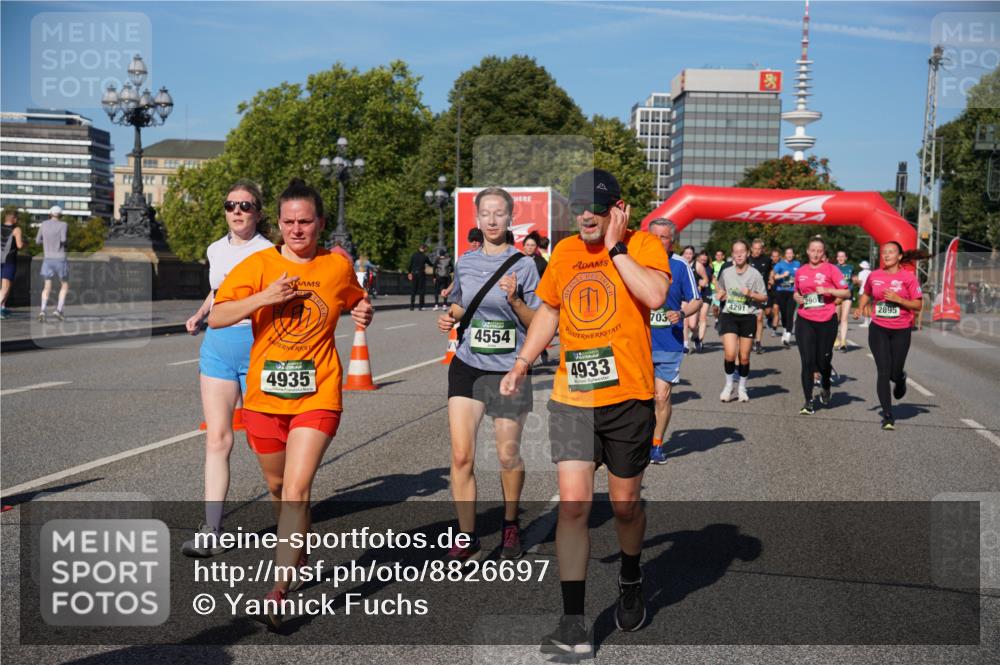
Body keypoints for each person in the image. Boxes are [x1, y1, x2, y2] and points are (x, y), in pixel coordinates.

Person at [500, 169, 670, 655]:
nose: (586, 217)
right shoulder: (565, 253)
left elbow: (655, 296)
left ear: (617, 209)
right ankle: (573, 623)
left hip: (628, 399)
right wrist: (522, 362)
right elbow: (550, 311)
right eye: (578, 208)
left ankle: (631, 577)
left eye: (596, 208)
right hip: (573, 399)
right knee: (573, 507)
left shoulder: (643, 246)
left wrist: (616, 248)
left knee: (625, 506)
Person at [208, 178, 373, 628]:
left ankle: (278, 592)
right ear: (278, 223)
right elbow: (218, 316)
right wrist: (265, 297)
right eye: (289, 222)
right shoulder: (258, 264)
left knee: (298, 489)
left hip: (318, 394)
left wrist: (364, 309)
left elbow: (357, 299)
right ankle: (297, 544)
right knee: (279, 489)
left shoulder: (336, 266)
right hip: (264, 398)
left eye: (305, 221)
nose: (297, 229)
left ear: (320, 223)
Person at [436, 186, 541, 563]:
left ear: (510, 218)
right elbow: (463, 304)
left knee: (507, 455)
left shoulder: (525, 265)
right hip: (467, 365)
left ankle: (510, 524)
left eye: (499, 214)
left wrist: (515, 300)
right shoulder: (465, 262)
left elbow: (539, 322)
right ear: (477, 218)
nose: (493, 220)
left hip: (509, 370)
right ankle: (467, 536)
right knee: (461, 455)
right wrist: (450, 316)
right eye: (486, 214)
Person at [180, 181, 274, 558]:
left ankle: (292, 515)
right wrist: (201, 313)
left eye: (245, 206)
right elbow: (220, 290)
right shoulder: (215, 249)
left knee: (266, 441)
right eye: (230, 205)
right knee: (217, 439)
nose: (237, 211)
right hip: (218, 346)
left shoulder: (270, 252)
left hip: (258, 346)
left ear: (258, 213)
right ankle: (212, 530)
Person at [647, 221, 701, 464]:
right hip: (638, 341)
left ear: (673, 241)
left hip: (668, 342)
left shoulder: (680, 265)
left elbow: (696, 300)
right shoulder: (635, 262)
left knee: (661, 396)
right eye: (654, 236)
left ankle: (657, 444)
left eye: (664, 237)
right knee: (638, 399)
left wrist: (681, 313)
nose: (659, 242)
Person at [854, 243, 923, 430]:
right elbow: (866, 293)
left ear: (899, 256)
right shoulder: (874, 275)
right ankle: (887, 415)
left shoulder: (908, 277)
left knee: (894, 372)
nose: (886, 255)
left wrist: (898, 299)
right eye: (884, 252)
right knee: (883, 372)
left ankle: (900, 379)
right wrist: (860, 307)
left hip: (901, 329)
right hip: (879, 329)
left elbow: (918, 305)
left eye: (891, 252)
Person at [793, 237, 851, 415]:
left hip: (826, 319)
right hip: (805, 319)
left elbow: (847, 292)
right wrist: (796, 297)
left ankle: (825, 385)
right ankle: (808, 401)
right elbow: (797, 291)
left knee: (823, 361)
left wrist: (828, 290)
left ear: (823, 253)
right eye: (813, 250)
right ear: (807, 251)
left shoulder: (831, 269)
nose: (816, 254)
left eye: (819, 251)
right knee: (807, 361)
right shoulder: (801, 271)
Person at [715, 240, 767, 403]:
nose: (739, 255)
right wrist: (720, 295)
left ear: (747, 253)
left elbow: (764, 297)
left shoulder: (755, 274)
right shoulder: (726, 272)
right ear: (732, 255)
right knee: (730, 353)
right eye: (736, 252)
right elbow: (720, 288)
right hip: (729, 315)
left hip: (748, 317)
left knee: (744, 357)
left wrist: (751, 293)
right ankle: (729, 385)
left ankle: (742, 388)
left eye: (742, 252)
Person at [36, 205, 69, 323]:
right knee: (64, 285)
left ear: (50, 213)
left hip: (47, 258)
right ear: (60, 215)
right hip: (60, 258)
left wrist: (46, 241)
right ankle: (59, 310)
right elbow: (63, 240)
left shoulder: (44, 224)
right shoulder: (63, 224)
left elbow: (37, 241)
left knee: (47, 286)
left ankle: (43, 310)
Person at [522, 231, 550, 364]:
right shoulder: (517, 260)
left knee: (533, 329)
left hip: (535, 300)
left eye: (532, 245)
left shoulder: (541, 262)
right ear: (523, 246)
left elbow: (548, 280)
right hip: (520, 299)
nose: (529, 248)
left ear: (536, 247)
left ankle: (540, 350)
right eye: (527, 245)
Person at [748, 239, 773, 355]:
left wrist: (771, 279)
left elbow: (772, 270)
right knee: (750, 318)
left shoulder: (767, 260)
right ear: (751, 249)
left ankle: (758, 342)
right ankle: (751, 338)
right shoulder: (747, 259)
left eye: (759, 249)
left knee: (759, 317)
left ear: (762, 249)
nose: (757, 251)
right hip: (749, 292)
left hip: (762, 292)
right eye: (755, 248)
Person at [771, 246, 800, 347]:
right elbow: (773, 276)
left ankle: (787, 336)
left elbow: (800, 275)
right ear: (785, 255)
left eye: (791, 253)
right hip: (781, 291)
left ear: (793, 254)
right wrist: (782, 276)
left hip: (792, 292)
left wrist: (796, 280)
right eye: (788, 253)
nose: (789, 255)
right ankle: (785, 329)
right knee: (783, 313)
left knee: (790, 313)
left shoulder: (797, 264)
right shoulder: (780, 264)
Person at [680, 245, 706, 353]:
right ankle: (685, 345)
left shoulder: (698, 265)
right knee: (684, 321)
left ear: (693, 255)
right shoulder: (680, 264)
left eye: (690, 254)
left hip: (693, 298)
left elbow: (705, 279)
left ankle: (695, 336)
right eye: (686, 253)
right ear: (682, 254)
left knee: (692, 325)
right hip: (682, 297)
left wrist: (701, 285)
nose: (688, 256)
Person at [1, 208, 25, 319]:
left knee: (4, 286)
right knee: (5, 288)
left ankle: (2, 308)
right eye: (17, 218)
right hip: (9, 260)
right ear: (14, 219)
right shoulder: (16, 229)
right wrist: (25, 243)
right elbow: (19, 245)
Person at [833, 250, 855, 352]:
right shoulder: (833, 268)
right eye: (839, 256)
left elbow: (852, 281)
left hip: (847, 295)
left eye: (842, 256)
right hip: (837, 295)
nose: (840, 258)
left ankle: (843, 342)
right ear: (836, 258)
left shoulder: (851, 267)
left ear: (846, 257)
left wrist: (857, 281)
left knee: (844, 318)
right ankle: (835, 338)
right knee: (836, 319)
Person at [695, 250, 713, 351]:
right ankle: (695, 335)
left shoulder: (710, 267)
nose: (703, 261)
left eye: (705, 260)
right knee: (694, 320)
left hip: (707, 293)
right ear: (698, 258)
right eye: (701, 259)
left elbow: (712, 279)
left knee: (703, 317)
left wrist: (718, 288)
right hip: (696, 294)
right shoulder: (693, 266)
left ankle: (700, 340)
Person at [407, 243, 433, 310]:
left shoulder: (414, 255)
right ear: (423, 249)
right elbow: (430, 264)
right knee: (421, 290)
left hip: (414, 274)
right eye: (425, 249)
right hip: (421, 274)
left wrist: (409, 273)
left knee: (413, 290)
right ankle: (421, 306)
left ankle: (412, 306)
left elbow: (410, 264)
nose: (426, 250)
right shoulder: (424, 256)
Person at [767, 248, 782, 334]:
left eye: (777, 256)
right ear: (771, 257)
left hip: (778, 290)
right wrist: (768, 282)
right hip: (769, 290)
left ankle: (774, 330)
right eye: (773, 256)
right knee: (768, 311)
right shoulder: (768, 265)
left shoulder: (782, 265)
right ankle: (769, 319)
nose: (775, 258)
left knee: (776, 309)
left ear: (779, 257)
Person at [856, 260, 873, 327]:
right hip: (871, 291)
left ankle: (866, 322)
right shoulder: (871, 272)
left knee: (864, 306)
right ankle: (870, 321)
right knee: (869, 306)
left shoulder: (861, 273)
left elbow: (860, 282)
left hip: (862, 291)